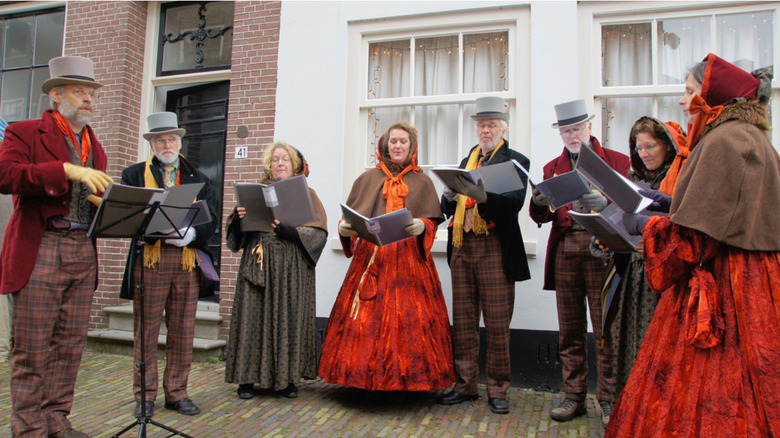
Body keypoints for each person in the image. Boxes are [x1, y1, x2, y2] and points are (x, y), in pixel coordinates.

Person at [606, 54, 780, 437]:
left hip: (725, 286)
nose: (684, 101)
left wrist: (648, 224)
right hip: (756, 281)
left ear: (712, 94)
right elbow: (724, 212)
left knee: (709, 389)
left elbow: (695, 241)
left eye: (690, 91)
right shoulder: (752, 138)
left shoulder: (723, 140)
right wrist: (672, 206)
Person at [0, 56, 113, 438]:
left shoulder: (94, 144)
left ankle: (56, 420)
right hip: (42, 246)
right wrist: (64, 170)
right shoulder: (25, 132)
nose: (88, 99)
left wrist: (111, 203)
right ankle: (29, 428)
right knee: (32, 348)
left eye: (91, 93)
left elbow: (94, 197)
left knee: (70, 346)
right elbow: (5, 175)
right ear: (57, 95)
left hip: (83, 248)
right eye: (80, 91)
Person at [318, 121, 454, 392]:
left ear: (412, 146)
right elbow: (351, 218)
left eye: (403, 141)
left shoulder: (423, 181)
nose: (398, 145)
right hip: (372, 259)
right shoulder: (367, 179)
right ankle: (362, 380)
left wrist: (422, 226)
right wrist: (345, 228)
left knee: (411, 321)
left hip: (409, 262)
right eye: (393, 141)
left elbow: (431, 220)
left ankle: (408, 381)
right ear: (385, 145)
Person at [529, 99, 629, 426]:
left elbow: (633, 209)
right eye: (566, 130)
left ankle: (608, 398)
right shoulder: (551, 167)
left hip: (602, 247)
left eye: (576, 128)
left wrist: (607, 203)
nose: (572, 135)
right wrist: (539, 202)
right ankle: (573, 395)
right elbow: (541, 216)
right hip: (566, 248)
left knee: (605, 329)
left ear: (589, 127)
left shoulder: (617, 162)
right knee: (569, 327)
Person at [119, 112, 218, 418]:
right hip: (150, 260)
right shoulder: (133, 175)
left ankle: (176, 393)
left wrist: (191, 234)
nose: (167, 144)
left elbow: (210, 221)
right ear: (151, 143)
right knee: (146, 331)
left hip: (186, 261)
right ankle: (144, 396)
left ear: (180, 141)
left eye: (172, 138)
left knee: (183, 331)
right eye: (160, 139)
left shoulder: (199, 177)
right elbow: (127, 218)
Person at [436, 96, 530, 415]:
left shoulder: (515, 161)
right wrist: (448, 198)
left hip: (494, 245)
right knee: (463, 320)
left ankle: (498, 388)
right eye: (480, 124)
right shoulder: (468, 161)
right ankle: (464, 385)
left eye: (491, 124)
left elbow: (514, 203)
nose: (485, 130)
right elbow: (450, 208)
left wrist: (483, 196)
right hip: (463, 244)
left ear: (503, 128)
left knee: (497, 321)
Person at [224, 142, 328, 399]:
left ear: (294, 165)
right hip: (257, 260)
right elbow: (235, 237)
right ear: (269, 165)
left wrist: (292, 232)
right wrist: (238, 220)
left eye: (285, 159)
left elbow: (319, 232)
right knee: (251, 318)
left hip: (291, 265)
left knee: (288, 318)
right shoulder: (254, 192)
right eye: (275, 159)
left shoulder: (307, 193)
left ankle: (287, 380)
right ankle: (246, 379)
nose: (280, 163)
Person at [591, 116, 683, 403]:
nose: (644, 153)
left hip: (666, 279)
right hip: (633, 276)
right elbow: (617, 220)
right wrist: (604, 237)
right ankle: (632, 410)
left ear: (667, 146)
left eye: (650, 145)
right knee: (632, 343)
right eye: (639, 147)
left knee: (661, 347)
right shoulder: (632, 182)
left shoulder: (679, 179)